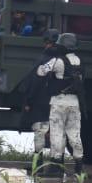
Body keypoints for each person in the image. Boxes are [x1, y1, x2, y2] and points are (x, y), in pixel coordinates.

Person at [34, 32, 85, 175]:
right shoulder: (80, 61)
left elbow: (41, 71)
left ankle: (55, 167)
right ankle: (79, 166)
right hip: (75, 103)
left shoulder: (58, 61)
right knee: (74, 134)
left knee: (57, 133)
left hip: (59, 102)